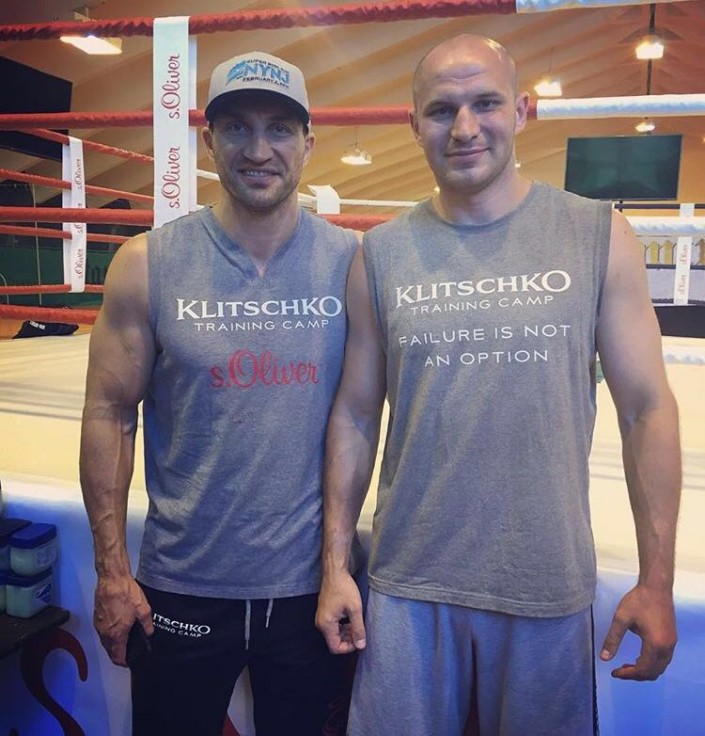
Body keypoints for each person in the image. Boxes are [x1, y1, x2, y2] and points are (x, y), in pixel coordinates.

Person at [315, 34, 681, 736]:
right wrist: (336, 566)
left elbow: (646, 409)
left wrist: (655, 579)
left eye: (484, 103)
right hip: (408, 582)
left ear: (521, 110)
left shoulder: (597, 235)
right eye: (440, 110)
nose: (464, 128)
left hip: (544, 581)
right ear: (413, 123)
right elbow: (355, 415)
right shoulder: (380, 254)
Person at [80, 51, 359, 736]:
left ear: (308, 143)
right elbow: (109, 413)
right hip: (181, 584)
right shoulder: (147, 263)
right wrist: (112, 572)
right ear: (209, 140)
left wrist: (338, 566)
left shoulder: (353, 264)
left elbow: (366, 412)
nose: (258, 150)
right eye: (237, 128)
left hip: (309, 590)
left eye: (279, 129)